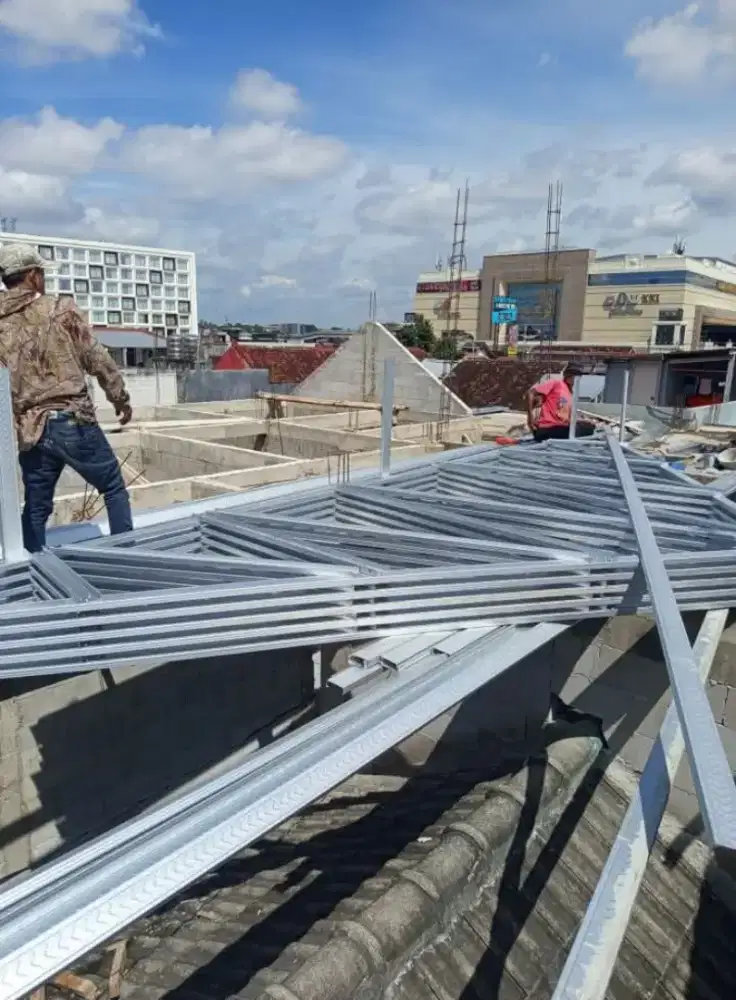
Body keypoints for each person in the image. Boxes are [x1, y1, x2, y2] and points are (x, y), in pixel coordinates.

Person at [0, 243, 134, 552]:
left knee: (36, 507)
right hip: (71, 419)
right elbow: (96, 358)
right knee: (113, 487)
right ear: (32, 275)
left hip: (31, 428)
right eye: (42, 273)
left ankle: (32, 570)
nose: (44, 278)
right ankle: (129, 560)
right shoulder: (60, 310)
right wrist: (120, 399)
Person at [526, 362, 595, 443]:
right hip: (547, 428)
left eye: (578, 375)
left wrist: (582, 421)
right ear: (567, 374)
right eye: (572, 374)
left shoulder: (570, 394)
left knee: (589, 428)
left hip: (561, 427)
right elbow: (531, 393)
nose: (575, 377)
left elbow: (566, 418)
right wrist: (530, 417)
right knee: (579, 430)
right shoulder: (556, 384)